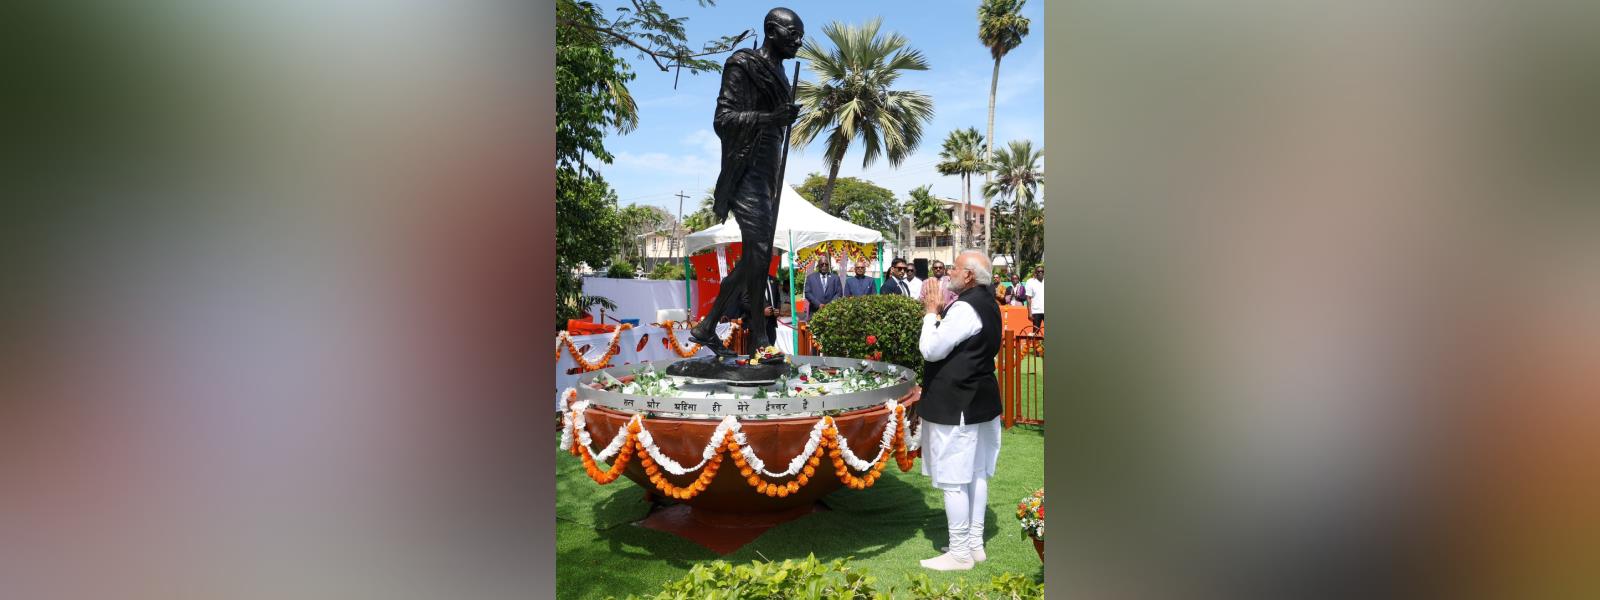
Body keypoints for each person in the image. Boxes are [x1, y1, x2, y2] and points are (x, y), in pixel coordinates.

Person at [684, 7, 805, 361]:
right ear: (771, 30)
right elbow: (723, 120)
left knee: (760, 254)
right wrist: (771, 118)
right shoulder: (743, 63)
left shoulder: (781, 73)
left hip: (769, 169)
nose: (799, 42)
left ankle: (725, 332)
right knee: (758, 252)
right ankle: (741, 335)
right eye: (792, 34)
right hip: (744, 168)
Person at [915, 250, 1004, 571]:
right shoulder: (988, 302)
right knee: (976, 473)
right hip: (979, 399)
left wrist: (930, 313)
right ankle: (973, 544)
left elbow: (931, 349)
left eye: (953, 267)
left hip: (959, 402)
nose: (947, 271)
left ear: (968, 275)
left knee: (954, 478)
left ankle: (960, 552)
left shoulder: (966, 307)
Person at [728, 273, 784, 350]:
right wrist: (761, 312)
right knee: (756, 356)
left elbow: (777, 299)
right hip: (756, 326)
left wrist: (777, 309)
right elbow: (744, 302)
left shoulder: (773, 280)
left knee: (770, 355)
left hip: (771, 326)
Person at [1024, 265, 1044, 330]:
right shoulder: (1030, 282)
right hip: (1036, 311)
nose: (1040, 272)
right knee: (1036, 333)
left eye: (1042, 271)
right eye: (1038, 271)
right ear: (1035, 273)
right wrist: (1029, 312)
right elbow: (1028, 298)